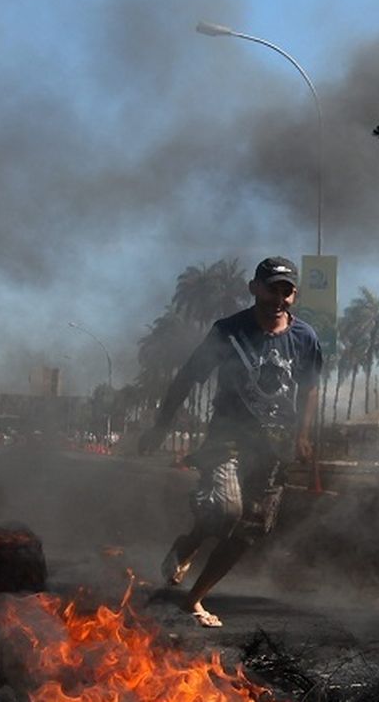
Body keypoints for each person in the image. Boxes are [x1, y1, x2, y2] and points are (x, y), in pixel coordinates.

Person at [138, 256, 322, 627]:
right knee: (226, 511)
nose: (278, 299)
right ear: (254, 288)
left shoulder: (305, 338)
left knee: (251, 531)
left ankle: (194, 599)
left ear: (294, 296)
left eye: (286, 292)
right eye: (272, 289)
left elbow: (309, 389)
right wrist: (161, 426)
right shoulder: (228, 331)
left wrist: (302, 436)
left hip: (274, 448)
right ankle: (189, 542)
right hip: (227, 439)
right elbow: (188, 378)